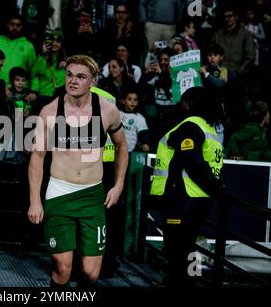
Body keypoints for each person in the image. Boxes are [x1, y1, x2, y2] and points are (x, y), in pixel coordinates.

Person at [27, 54, 129, 287]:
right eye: (70, 74)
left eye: (81, 76)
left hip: (93, 196)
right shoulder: (50, 112)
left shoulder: (107, 111)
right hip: (60, 193)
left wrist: (119, 184)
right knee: (63, 269)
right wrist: (35, 200)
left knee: (91, 273)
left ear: (93, 81)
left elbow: (123, 146)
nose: (73, 80)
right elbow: (37, 156)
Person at [149, 86, 225, 287]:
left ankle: (180, 284)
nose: (179, 104)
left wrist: (214, 186)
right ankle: (188, 283)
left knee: (176, 250)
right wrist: (215, 187)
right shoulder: (209, 129)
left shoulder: (190, 126)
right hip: (196, 199)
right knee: (188, 246)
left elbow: (192, 161)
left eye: (183, 100)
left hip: (181, 199)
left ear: (191, 104)